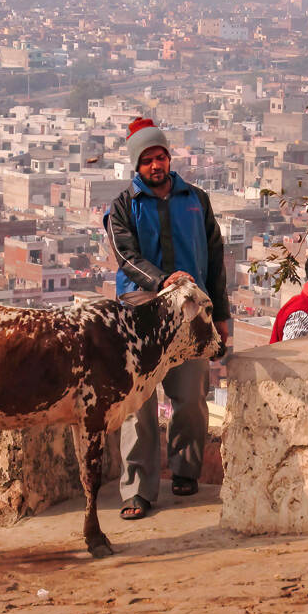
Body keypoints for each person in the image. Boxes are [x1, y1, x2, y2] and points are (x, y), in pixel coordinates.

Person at [104, 117, 230, 520]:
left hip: (189, 313)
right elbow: (126, 257)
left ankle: (185, 471)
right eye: (147, 160)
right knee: (139, 406)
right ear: (136, 166)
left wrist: (221, 315)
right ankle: (138, 490)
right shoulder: (123, 206)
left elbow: (214, 261)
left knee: (190, 397)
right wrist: (163, 281)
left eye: (161, 157)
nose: (156, 165)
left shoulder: (196, 199)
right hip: (140, 315)